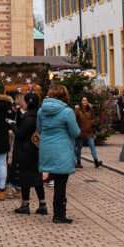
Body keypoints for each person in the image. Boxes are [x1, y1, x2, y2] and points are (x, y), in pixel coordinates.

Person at [37, 83, 80, 223]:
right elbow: (75, 132)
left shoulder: (41, 111)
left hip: (46, 149)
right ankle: (59, 215)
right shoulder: (67, 112)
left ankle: (58, 213)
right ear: (64, 96)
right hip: (62, 150)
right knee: (61, 183)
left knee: (56, 180)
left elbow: (39, 129)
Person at [12, 92, 47, 214]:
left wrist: (12, 125)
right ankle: (42, 204)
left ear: (27, 103)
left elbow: (20, 134)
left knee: (25, 178)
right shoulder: (39, 116)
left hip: (26, 151)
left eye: (24, 101)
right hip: (37, 150)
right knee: (37, 178)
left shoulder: (28, 119)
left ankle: (25, 204)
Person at [74, 95, 102, 168]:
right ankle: (78, 162)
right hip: (80, 132)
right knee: (79, 147)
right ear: (81, 101)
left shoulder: (90, 109)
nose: (85, 101)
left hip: (89, 131)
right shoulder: (77, 110)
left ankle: (96, 161)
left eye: (86, 100)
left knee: (92, 146)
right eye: (83, 100)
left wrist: (91, 123)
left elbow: (93, 118)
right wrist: (78, 126)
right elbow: (74, 119)